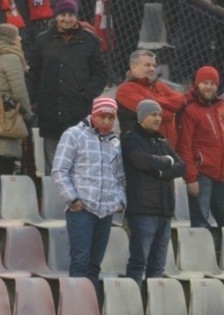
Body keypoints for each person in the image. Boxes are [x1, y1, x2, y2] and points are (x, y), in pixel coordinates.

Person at [52, 96, 126, 292]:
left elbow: (119, 176)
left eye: (111, 118)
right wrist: (73, 199)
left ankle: (89, 310)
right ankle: (75, 307)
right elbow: (59, 169)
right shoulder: (74, 135)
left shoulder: (115, 142)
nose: (107, 122)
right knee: (80, 262)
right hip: (81, 210)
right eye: (103, 117)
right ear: (94, 114)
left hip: (106, 212)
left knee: (95, 265)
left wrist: (120, 202)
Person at [27, 0, 107, 173]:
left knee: (76, 162)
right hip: (50, 109)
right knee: (53, 164)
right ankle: (52, 197)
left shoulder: (89, 41)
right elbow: (33, 73)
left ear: (76, 17)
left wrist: (87, 94)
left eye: (71, 15)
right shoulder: (42, 40)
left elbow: (100, 73)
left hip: (78, 109)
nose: (67, 19)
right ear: (56, 16)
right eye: (63, 15)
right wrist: (34, 99)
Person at [122, 99, 185, 287]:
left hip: (164, 211)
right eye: (153, 114)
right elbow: (142, 161)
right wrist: (166, 162)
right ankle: (133, 305)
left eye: (159, 114)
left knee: (157, 266)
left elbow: (182, 166)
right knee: (138, 262)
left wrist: (158, 170)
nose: (158, 118)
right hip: (142, 210)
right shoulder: (130, 139)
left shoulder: (161, 140)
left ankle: (152, 306)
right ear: (142, 117)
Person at [0, 22, 33, 201]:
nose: (20, 38)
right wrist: (28, 113)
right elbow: (19, 91)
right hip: (7, 119)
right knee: (2, 166)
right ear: (9, 39)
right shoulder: (11, 58)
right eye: (16, 35)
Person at [176, 66, 224, 229]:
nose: (209, 87)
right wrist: (191, 178)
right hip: (201, 175)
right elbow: (184, 147)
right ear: (196, 84)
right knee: (200, 223)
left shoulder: (222, 108)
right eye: (205, 82)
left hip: (222, 175)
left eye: (213, 83)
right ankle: (201, 254)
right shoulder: (190, 111)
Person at [115, 50, 185, 149]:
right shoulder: (125, 90)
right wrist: (170, 111)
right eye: (147, 65)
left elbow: (181, 100)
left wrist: (155, 101)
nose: (152, 69)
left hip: (167, 149)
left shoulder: (158, 85)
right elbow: (153, 112)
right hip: (141, 150)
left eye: (154, 65)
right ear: (133, 67)